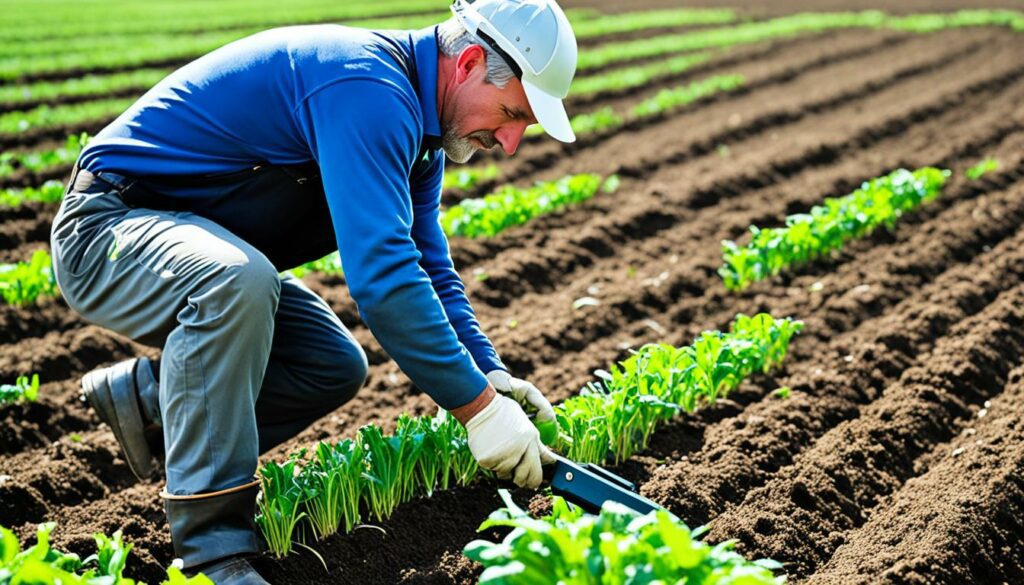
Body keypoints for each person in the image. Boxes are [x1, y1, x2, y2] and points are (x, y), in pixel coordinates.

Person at [49, 0, 578, 582]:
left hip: (193, 240)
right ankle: (212, 555)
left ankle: (146, 401)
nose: (509, 143)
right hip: (108, 228)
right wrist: (477, 412)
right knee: (235, 281)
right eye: (510, 113)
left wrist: (490, 374)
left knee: (329, 363)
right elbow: (385, 277)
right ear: (469, 61)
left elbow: (427, 262)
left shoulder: (420, 135)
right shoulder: (367, 86)